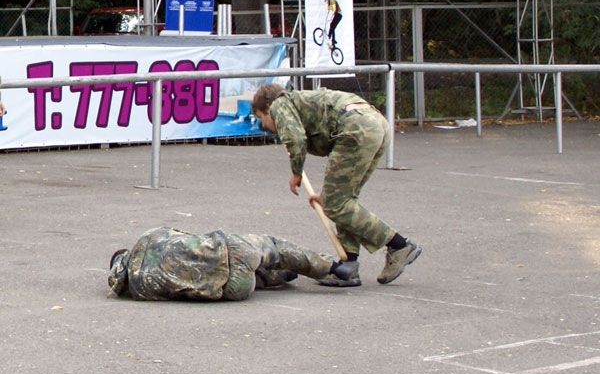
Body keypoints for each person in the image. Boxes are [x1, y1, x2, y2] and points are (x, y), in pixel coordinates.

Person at [251, 84, 422, 287]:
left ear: (267, 107)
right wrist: (330, 195)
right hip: (375, 125)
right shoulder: (301, 101)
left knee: (336, 205)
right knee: (344, 202)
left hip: (355, 128)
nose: (266, 125)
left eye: (262, 118)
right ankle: (348, 265)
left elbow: (295, 138)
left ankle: (399, 245)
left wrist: (296, 172)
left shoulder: (279, 104)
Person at [107, 227, 359, 301]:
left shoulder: (140, 289)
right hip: (230, 252)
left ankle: (276, 277)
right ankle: (334, 268)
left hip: (230, 289)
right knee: (273, 246)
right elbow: (185, 235)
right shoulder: (149, 237)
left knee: (249, 278)